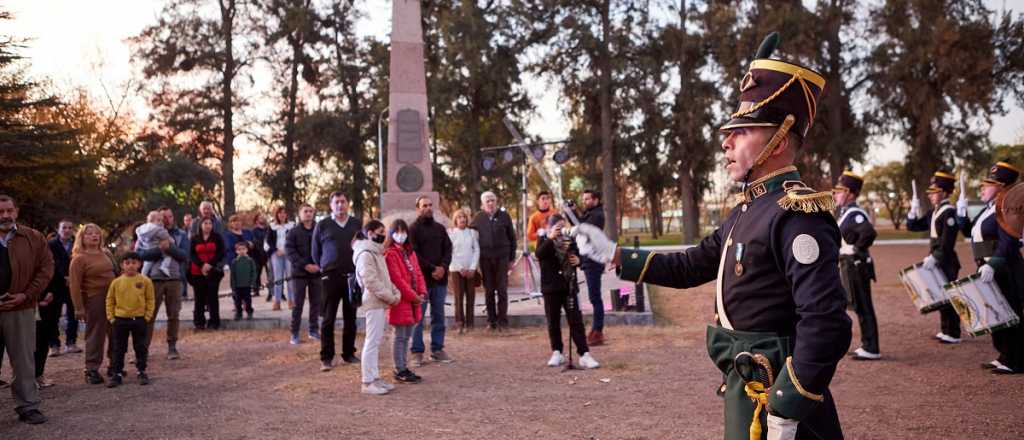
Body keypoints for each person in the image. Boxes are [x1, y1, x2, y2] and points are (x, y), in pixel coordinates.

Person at [574, 34, 851, 439]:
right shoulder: (750, 207)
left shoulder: (797, 214)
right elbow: (691, 264)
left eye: (743, 131)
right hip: (751, 386)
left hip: (782, 398)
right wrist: (615, 254)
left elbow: (826, 322)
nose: (726, 141)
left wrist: (787, 407)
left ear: (778, 138)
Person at [957, 161, 1024, 374]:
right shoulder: (989, 208)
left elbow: (1008, 242)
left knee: (1009, 312)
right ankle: (1004, 355)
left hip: (1004, 268)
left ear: (1003, 187)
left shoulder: (1007, 208)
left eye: (989, 184)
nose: (982, 188)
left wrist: (993, 264)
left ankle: (1016, 360)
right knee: (995, 313)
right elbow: (970, 232)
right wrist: (961, 213)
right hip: (987, 267)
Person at [0, 194, 54, 424]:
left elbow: (46, 268)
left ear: (17, 211)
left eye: (9, 211)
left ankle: (28, 406)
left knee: (23, 360)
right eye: (0, 212)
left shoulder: (33, 237)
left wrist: (26, 294)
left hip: (20, 306)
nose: (5, 216)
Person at [535, 214, 599, 369]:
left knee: (576, 321)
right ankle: (557, 352)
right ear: (550, 227)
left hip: (568, 286)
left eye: (563, 226)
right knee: (553, 321)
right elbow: (539, 254)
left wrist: (579, 261)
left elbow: (580, 254)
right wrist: (550, 238)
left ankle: (584, 354)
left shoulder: (570, 239)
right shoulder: (544, 239)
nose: (561, 230)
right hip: (551, 288)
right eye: (558, 226)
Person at [906, 171, 962, 344]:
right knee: (940, 294)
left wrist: (935, 257)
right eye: (930, 192)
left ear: (945, 193)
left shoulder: (949, 213)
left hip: (946, 261)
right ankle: (945, 329)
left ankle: (953, 332)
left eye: (934, 192)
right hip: (937, 260)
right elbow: (914, 227)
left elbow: (947, 242)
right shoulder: (934, 212)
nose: (930, 195)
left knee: (949, 296)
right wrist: (912, 211)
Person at [833, 172, 881, 360]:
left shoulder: (856, 213)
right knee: (859, 306)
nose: (836, 195)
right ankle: (867, 344)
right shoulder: (845, 213)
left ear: (851, 194)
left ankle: (872, 347)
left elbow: (868, 233)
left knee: (864, 306)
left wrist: (856, 248)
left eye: (839, 192)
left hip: (857, 265)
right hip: (849, 265)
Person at [312, 192, 362, 370]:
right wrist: (325, 267)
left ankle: (349, 353)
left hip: (351, 277)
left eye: (343, 201)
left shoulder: (356, 224)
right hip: (330, 277)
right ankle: (326, 357)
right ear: (331, 205)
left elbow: (362, 247)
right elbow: (315, 251)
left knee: (351, 318)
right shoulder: (323, 224)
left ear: (347, 203)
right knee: (328, 319)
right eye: (336, 202)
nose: (340, 205)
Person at [353, 220, 400, 395]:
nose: (384, 235)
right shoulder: (366, 254)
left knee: (376, 341)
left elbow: (385, 278)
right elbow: (371, 281)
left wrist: (394, 294)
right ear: (371, 233)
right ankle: (367, 381)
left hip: (380, 301)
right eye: (381, 231)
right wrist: (391, 297)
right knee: (371, 342)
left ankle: (375, 377)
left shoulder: (377, 253)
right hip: (373, 301)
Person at [68, 223, 117, 385]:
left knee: (115, 331)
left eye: (97, 233)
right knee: (96, 333)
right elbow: (74, 285)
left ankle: (114, 364)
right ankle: (91, 369)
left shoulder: (106, 253)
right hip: (94, 298)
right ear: (82, 238)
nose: (94, 236)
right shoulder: (79, 259)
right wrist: (79, 308)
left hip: (113, 298)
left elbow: (115, 273)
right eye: (89, 234)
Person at [409, 196, 453, 365]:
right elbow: (414, 255)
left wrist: (442, 267)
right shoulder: (413, 230)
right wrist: (432, 269)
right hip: (422, 282)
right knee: (418, 318)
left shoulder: (440, 228)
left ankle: (437, 349)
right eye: (424, 205)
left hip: (440, 281)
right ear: (418, 208)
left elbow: (448, 249)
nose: (428, 208)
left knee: (438, 316)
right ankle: (417, 352)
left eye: (429, 205)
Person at [140, 207, 188, 360]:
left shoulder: (181, 235)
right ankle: (143, 348)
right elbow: (141, 254)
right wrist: (160, 250)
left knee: (173, 314)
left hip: (174, 279)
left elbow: (184, 256)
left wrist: (170, 248)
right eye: (163, 217)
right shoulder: (148, 233)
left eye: (170, 216)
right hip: (154, 280)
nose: (167, 220)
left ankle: (172, 346)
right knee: (149, 315)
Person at [383, 219, 426, 384]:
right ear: (391, 234)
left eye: (403, 232)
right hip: (401, 301)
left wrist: (421, 292)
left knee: (407, 335)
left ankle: (403, 366)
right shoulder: (390, 253)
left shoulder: (410, 252)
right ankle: (399, 368)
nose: (400, 235)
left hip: (413, 301)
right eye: (397, 232)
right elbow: (397, 280)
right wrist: (414, 296)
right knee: (400, 336)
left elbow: (418, 274)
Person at [104, 252, 155, 388]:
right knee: (119, 348)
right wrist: (111, 317)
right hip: (120, 320)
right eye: (127, 263)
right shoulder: (116, 282)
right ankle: (117, 373)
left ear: (139, 264)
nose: (131, 266)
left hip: (139, 320)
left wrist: (147, 316)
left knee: (140, 347)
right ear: (122, 265)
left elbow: (150, 300)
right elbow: (110, 300)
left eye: (134, 263)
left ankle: (141, 371)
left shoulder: (145, 281)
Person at [471, 191, 517, 331]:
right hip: (485, 258)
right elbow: (470, 236)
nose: (490, 203)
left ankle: (503, 321)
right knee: (489, 290)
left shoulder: (504, 216)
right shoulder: (478, 218)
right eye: (487, 201)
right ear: (482, 204)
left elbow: (512, 238)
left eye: (492, 200)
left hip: (502, 257)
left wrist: (511, 258)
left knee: (502, 290)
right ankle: (491, 321)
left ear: (496, 202)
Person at [286, 204, 322, 345]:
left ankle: (313, 330)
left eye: (310, 211)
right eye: (305, 211)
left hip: (317, 272)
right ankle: (294, 333)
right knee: (298, 304)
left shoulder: (320, 230)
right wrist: (305, 265)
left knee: (316, 303)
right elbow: (290, 251)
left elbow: (325, 248)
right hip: (299, 273)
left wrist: (318, 265)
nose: (308, 214)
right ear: (300, 214)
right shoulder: (293, 232)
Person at [46, 219, 81, 355]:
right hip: (55, 284)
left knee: (73, 314)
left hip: (73, 284)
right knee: (53, 315)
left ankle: (71, 343)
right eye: (64, 227)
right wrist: (63, 278)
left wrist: (73, 278)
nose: (67, 230)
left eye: (70, 228)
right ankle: (54, 345)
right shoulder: (51, 245)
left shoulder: (76, 246)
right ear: (58, 229)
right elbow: (50, 263)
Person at [578, 189, 607, 346]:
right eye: (584, 199)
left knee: (595, 297)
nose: (585, 201)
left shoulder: (597, 215)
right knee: (594, 296)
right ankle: (597, 330)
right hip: (589, 259)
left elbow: (583, 229)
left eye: (588, 199)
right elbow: (579, 223)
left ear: (596, 199)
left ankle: (597, 331)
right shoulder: (590, 213)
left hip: (594, 260)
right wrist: (573, 211)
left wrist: (573, 213)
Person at [188, 218, 226, 330]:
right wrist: (201, 265)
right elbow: (192, 254)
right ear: (201, 225)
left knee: (212, 297)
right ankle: (199, 323)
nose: (208, 225)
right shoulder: (195, 238)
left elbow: (221, 252)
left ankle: (214, 322)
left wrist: (209, 264)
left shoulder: (217, 237)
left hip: (213, 271)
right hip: (197, 272)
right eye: (205, 223)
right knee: (199, 298)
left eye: (210, 223)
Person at [448, 207, 480, 333]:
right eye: (459, 217)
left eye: (464, 217)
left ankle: (470, 324)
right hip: (456, 269)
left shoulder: (472, 233)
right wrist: (460, 268)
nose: (462, 219)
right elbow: (450, 253)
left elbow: (476, 250)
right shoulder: (451, 233)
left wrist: (472, 267)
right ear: (455, 220)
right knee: (458, 296)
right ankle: (459, 323)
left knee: (470, 296)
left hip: (470, 269)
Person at [266, 207, 294, 309]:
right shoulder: (272, 226)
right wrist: (276, 250)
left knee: (290, 277)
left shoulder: (291, 226)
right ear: (277, 215)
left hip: (289, 253)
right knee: (278, 278)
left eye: (284, 213)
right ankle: (277, 302)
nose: (282, 215)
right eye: (280, 213)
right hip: (276, 254)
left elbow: (293, 240)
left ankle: (292, 301)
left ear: (286, 215)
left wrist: (287, 250)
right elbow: (269, 241)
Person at [136, 210, 173, 278]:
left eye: (161, 220)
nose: (161, 222)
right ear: (152, 220)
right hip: (156, 249)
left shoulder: (141, 229)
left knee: (147, 264)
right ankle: (164, 266)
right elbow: (166, 236)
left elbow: (137, 244)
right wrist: (172, 241)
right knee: (167, 255)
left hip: (146, 250)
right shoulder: (158, 229)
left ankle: (142, 276)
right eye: (159, 220)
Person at [229, 241, 257, 320]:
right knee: (237, 301)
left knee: (248, 300)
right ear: (236, 251)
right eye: (239, 249)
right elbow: (232, 275)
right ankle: (239, 313)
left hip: (247, 285)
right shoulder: (234, 262)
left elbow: (254, 272)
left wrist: (252, 282)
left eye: (243, 249)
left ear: (247, 250)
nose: (242, 251)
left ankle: (249, 312)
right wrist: (233, 285)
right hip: (237, 285)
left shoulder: (250, 261)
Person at [250, 212, 270, 303]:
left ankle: (271, 290)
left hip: (267, 254)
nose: (262, 218)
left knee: (270, 272)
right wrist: (260, 249)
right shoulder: (254, 230)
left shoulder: (268, 229)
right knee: (257, 272)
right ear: (257, 219)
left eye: (264, 217)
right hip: (257, 254)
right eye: (260, 217)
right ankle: (256, 289)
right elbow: (254, 241)